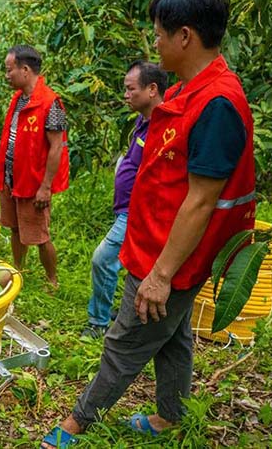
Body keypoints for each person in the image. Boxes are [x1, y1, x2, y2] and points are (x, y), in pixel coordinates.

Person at [41, 0, 255, 448]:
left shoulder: (217, 104)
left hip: (171, 256)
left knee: (125, 341)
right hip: (154, 243)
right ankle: (170, 416)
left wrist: (161, 275)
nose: (153, 43)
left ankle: (75, 425)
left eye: (158, 33)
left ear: (184, 36)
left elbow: (201, 201)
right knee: (172, 337)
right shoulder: (192, 91)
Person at [82, 61, 167, 339]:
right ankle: (123, 312)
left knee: (103, 259)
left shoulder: (163, 127)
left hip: (136, 211)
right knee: (129, 263)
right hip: (127, 210)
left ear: (152, 89)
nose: (126, 95)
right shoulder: (144, 121)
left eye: (131, 89)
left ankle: (98, 321)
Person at [0, 45, 69, 288]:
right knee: (15, 229)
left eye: (9, 70)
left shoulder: (50, 103)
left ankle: (52, 280)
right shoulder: (18, 99)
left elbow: (57, 147)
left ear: (25, 70)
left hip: (33, 181)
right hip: (12, 178)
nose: (7, 75)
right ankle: (18, 271)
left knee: (40, 236)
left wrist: (45, 187)